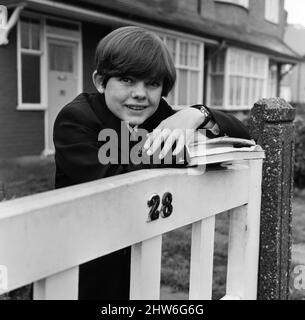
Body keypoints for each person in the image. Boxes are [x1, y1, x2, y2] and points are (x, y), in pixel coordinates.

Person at [53, 26, 250, 300]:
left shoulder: (155, 115)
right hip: (74, 266)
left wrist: (196, 114)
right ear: (100, 82)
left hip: (133, 257)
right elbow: (114, 184)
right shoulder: (75, 119)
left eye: (152, 84)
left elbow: (243, 136)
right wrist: (176, 157)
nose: (140, 93)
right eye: (126, 80)